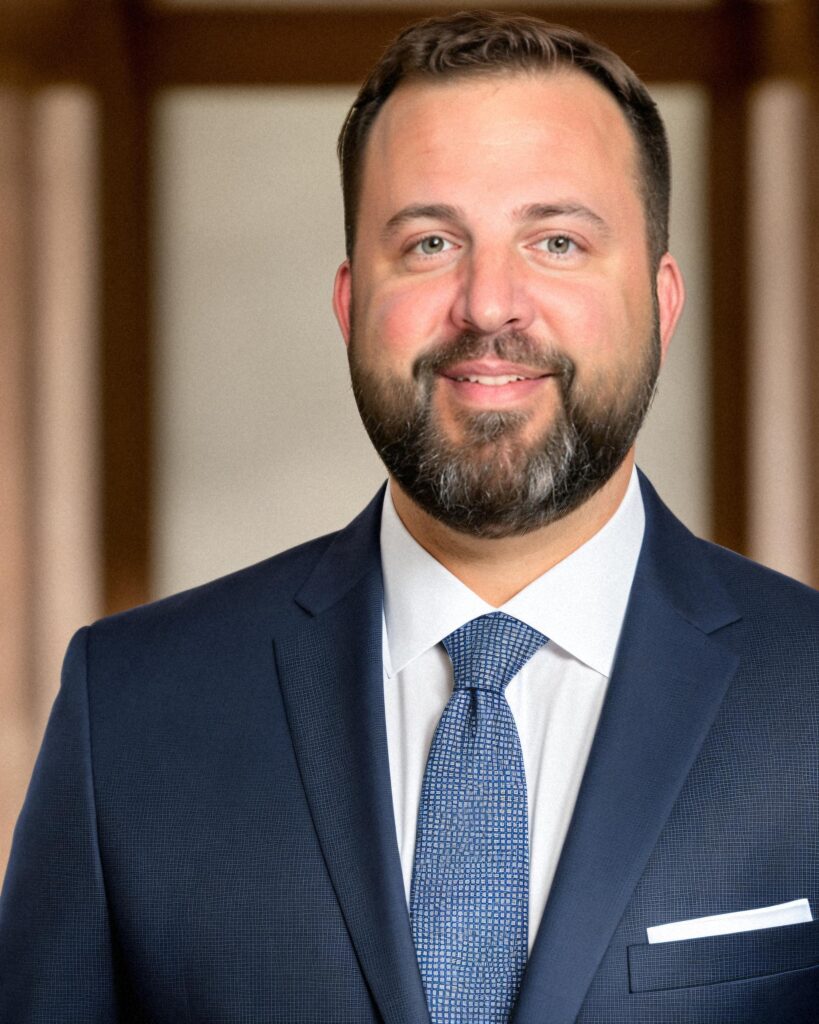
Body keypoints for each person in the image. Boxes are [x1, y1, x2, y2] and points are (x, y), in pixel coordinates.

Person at [1, 11, 817, 1023]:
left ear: (661, 300)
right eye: (430, 243)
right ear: (351, 304)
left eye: (556, 239)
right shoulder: (126, 714)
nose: (488, 304)